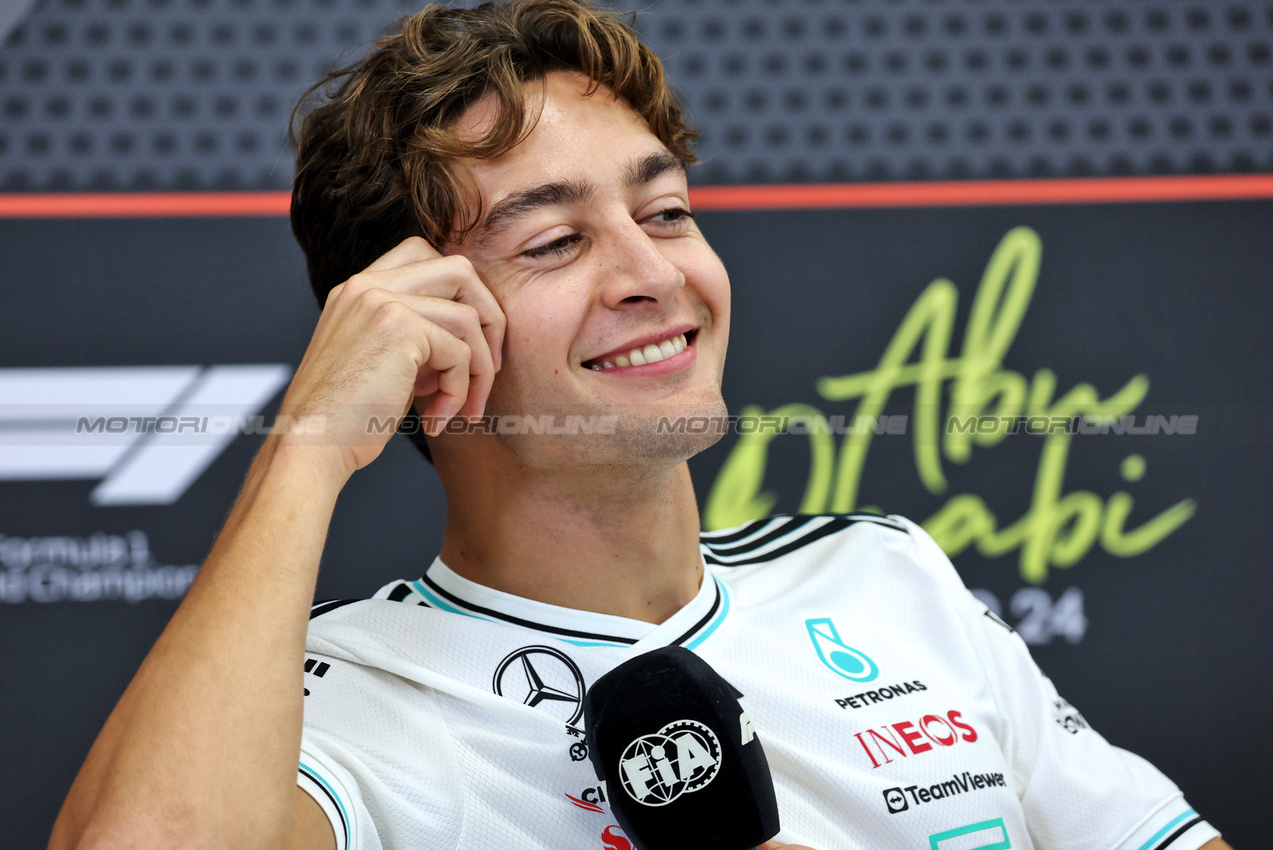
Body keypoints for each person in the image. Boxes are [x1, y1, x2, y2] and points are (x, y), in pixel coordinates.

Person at [50, 1, 1229, 848]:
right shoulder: (342, 701)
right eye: (554, 240)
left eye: (664, 211)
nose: (649, 272)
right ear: (421, 335)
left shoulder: (884, 574)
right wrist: (309, 441)